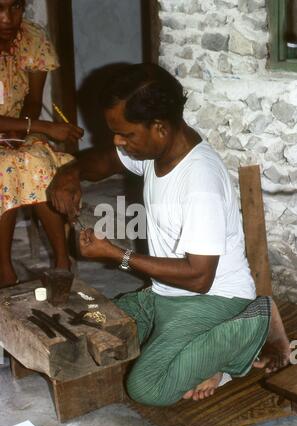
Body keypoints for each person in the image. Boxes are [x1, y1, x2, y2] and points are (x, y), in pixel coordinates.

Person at [50, 63, 290, 406]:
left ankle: (254, 323)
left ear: (159, 127)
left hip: (215, 299)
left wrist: (117, 255)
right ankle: (198, 349)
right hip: (167, 295)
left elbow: (199, 277)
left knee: (148, 387)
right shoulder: (154, 151)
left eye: (126, 134)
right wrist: (70, 173)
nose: (118, 142)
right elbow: (105, 161)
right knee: (91, 322)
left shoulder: (199, 181)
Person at [0, 0, 84, 288]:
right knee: (4, 166)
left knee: (36, 160)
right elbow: (37, 121)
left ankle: (62, 262)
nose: (8, 18)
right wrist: (40, 127)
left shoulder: (33, 38)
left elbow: (34, 101)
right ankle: (4, 269)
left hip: (20, 127)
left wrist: (21, 134)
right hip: (25, 127)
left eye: (15, 8)